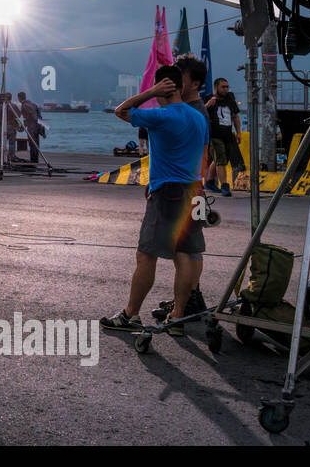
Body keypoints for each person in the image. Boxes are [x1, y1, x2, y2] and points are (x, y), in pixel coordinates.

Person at [101, 65, 208, 337]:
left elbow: (120, 111)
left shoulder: (161, 117)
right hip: (195, 189)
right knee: (186, 254)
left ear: (163, 87)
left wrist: (149, 92)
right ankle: (178, 317)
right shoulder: (198, 118)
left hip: (168, 193)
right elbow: (203, 154)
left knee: (146, 254)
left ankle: (130, 314)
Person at [169, 55, 210, 319]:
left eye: (179, 77)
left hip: (184, 187)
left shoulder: (192, 111)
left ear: (194, 83)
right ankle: (192, 296)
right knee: (192, 248)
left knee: (182, 249)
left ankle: (182, 305)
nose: (173, 82)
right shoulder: (197, 108)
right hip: (196, 186)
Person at [204, 77, 244, 197]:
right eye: (223, 87)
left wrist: (238, 133)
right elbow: (199, 114)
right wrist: (207, 105)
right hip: (215, 135)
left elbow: (235, 117)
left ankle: (210, 182)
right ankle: (225, 186)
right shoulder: (209, 99)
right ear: (216, 87)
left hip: (227, 134)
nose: (226, 89)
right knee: (220, 159)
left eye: (227, 87)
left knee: (221, 159)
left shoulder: (230, 99)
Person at [17, 92, 42, 163]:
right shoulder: (33, 104)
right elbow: (39, 115)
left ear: (19, 98)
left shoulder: (24, 106)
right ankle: (35, 160)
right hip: (37, 126)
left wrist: (22, 127)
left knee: (32, 143)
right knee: (36, 143)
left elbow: (27, 118)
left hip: (31, 126)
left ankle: (33, 160)